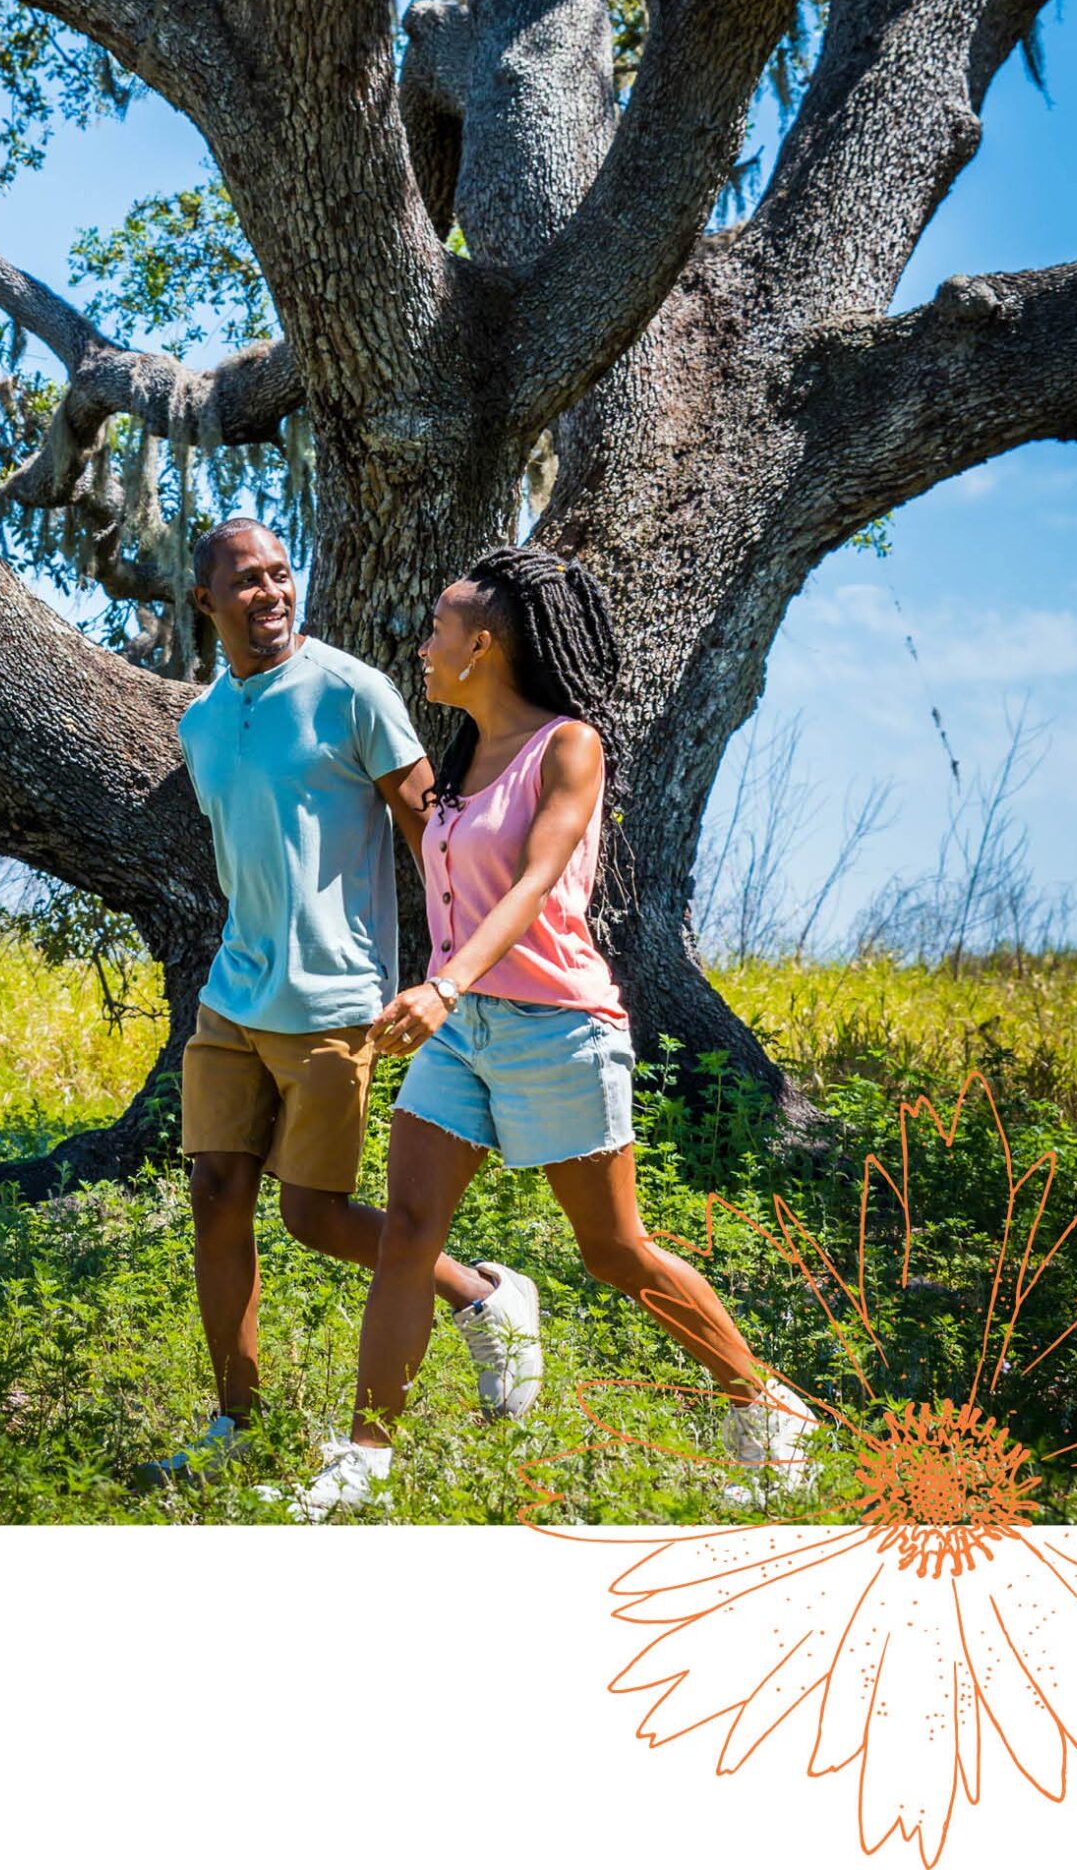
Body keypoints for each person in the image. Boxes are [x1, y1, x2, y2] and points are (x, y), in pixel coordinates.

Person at [285, 542, 815, 1519]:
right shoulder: (459, 760)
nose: (423, 643)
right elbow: (437, 857)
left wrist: (440, 985)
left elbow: (531, 886)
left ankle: (762, 1398)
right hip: (460, 1032)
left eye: (438, 626)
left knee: (613, 1250)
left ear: (483, 644)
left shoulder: (566, 747)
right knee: (407, 1234)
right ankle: (364, 1461)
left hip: (555, 1027)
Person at [134, 517, 543, 1489]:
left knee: (314, 1214)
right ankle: (234, 1423)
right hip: (235, 992)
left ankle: (479, 1293)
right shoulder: (198, 725)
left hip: (333, 997)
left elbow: (425, 828)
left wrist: (452, 968)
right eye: (247, 581)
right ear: (207, 601)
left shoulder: (354, 692)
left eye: (281, 574)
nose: (270, 593)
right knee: (215, 1196)